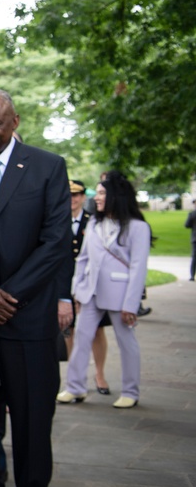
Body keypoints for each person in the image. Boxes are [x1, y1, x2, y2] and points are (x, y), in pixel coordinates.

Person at [0, 89, 70, 487]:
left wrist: (7, 294)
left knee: (32, 424)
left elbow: (55, 243)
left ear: (13, 121)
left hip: (27, 321)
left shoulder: (47, 166)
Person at [58, 171, 151, 409]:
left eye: (101, 193)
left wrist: (131, 304)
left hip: (121, 297)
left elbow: (139, 269)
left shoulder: (138, 227)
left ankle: (130, 391)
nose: (96, 197)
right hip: (90, 293)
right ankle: (75, 388)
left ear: (115, 196)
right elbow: (83, 260)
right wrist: (77, 292)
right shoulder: (96, 223)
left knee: (126, 343)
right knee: (81, 340)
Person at [59, 180, 110, 394]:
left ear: (82, 197)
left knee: (97, 330)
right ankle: (74, 379)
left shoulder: (92, 221)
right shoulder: (57, 220)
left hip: (90, 285)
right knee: (67, 330)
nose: (73, 199)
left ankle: (99, 374)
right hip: (64, 283)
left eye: (77, 195)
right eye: (69, 195)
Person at [187, 206, 196, 281]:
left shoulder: (192, 214)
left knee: (194, 257)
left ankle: (192, 275)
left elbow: (187, 225)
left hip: (195, 238)